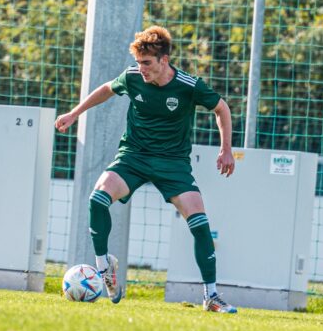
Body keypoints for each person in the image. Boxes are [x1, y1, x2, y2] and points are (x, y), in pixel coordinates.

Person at [55, 25, 238, 313]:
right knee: (97, 199)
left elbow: (222, 109)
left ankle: (211, 296)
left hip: (173, 163)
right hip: (134, 156)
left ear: (164, 60)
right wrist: (75, 113)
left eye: (147, 63)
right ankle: (105, 268)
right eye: (139, 62)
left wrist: (226, 148)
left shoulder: (189, 86)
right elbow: (106, 89)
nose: (141, 69)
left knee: (200, 224)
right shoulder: (132, 77)